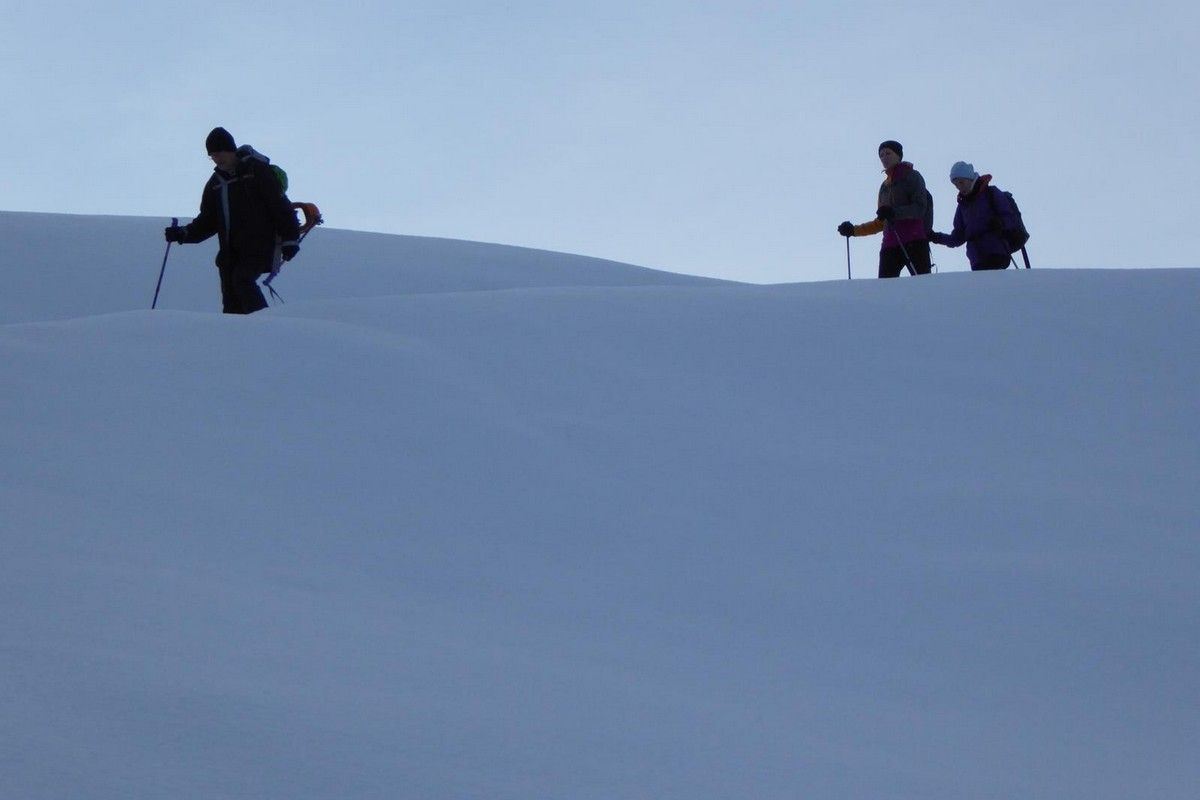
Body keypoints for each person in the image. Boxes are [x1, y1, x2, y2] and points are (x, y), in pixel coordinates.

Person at [165, 127, 300, 314]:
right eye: (212, 156)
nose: (217, 159)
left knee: (242, 280)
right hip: (230, 252)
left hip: (260, 244)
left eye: (220, 153)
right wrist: (184, 233)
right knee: (231, 302)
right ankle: (235, 338)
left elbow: (280, 206)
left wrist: (290, 239)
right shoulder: (216, 184)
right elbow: (208, 221)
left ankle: (264, 326)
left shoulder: (256, 171)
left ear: (231, 150)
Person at [838, 140, 932, 278]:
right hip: (890, 244)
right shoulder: (884, 186)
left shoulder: (912, 176)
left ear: (899, 155)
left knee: (923, 286)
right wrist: (854, 230)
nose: (884, 157)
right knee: (885, 290)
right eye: (881, 155)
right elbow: (882, 222)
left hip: (914, 240)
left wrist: (894, 212)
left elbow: (920, 208)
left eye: (888, 153)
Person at [929, 161, 1019, 271]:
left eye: (961, 182)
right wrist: (935, 237)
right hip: (977, 259)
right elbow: (957, 237)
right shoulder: (962, 206)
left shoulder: (991, 193)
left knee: (993, 285)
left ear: (970, 178)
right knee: (986, 287)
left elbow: (1009, 217)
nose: (959, 187)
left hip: (997, 252)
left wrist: (1000, 223)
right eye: (956, 184)